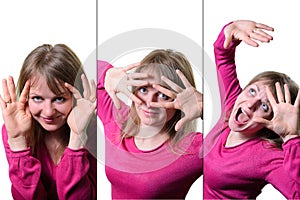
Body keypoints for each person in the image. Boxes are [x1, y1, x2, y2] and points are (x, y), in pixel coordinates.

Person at [203, 20, 300, 199]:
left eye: (264, 106)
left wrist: (291, 138)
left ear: (272, 121)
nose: (249, 104)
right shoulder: (233, 105)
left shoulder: (265, 155)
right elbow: (223, 57)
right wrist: (230, 30)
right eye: (252, 91)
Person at [97, 49, 203, 199]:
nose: (149, 102)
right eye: (144, 89)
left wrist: (203, 108)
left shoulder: (194, 147)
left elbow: (242, 147)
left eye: (162, 95)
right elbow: (81, 72)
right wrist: (107, 74)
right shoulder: (119, 120)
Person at [0, 44, 97, 200]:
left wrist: (77, 138)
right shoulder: (13, 130)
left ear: (75, 96)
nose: (48, 112)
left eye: (59, 99)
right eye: (37, 98)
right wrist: (18, 142)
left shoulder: (90, 128)